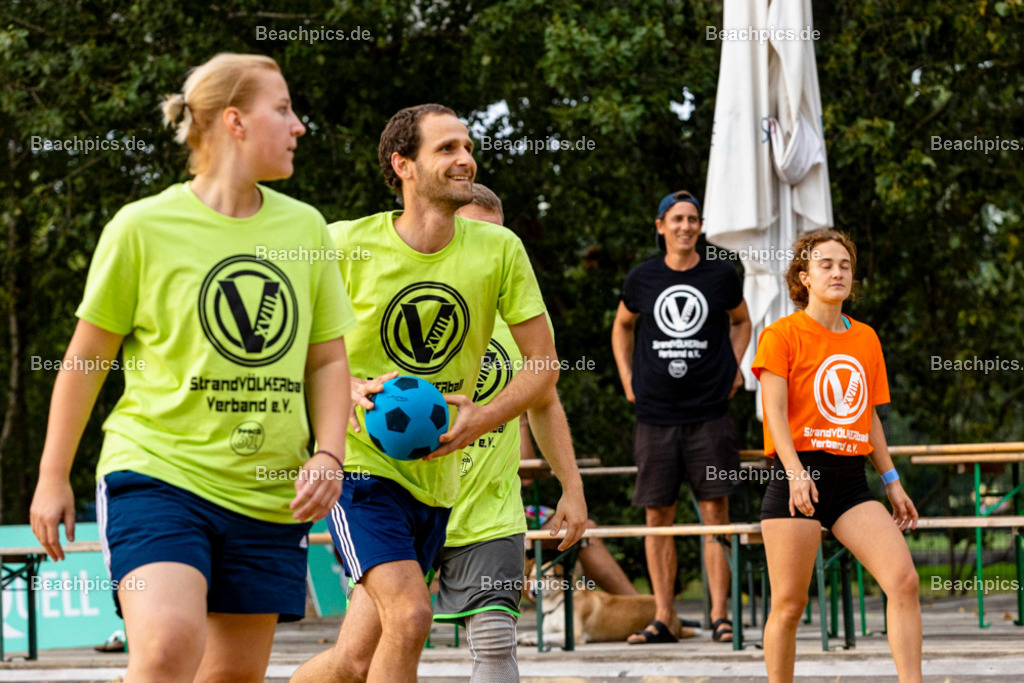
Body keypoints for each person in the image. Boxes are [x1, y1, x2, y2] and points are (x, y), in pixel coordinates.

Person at [29, 53, 356, 682]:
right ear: (234, 120)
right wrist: (52, 475)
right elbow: (86, 356)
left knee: (231, 676)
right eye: (282, 109)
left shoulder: (306, 228)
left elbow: (326, 358)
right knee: (168, 647)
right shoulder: (143, 227)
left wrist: (330, 452)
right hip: (157, 473)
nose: (299, 126)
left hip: (267, 493)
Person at [292, 105, 566, 683]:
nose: (465, 157)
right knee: (413, 616)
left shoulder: (499, 251)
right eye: (446, 148)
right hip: (360, 467)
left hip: (437, 480)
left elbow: (544, 368)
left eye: (466, 146)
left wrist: (482, 418)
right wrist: (343, 387)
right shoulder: (342, 244)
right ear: (403, 165)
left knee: (354, 660)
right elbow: (283, 342)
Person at [425, 184, 586, 682]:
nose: (490, 252)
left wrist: (572, 487)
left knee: (495, 644)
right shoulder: (413, 301)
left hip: (490, 509)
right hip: (403, 499)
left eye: (499, 239)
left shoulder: (523, 322)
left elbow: (545, 400)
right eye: (475, 235)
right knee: (372, 649)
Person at [752, 230, 921, 683]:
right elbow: (773, 415)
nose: (838, 272)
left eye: (845, 265)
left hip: (850, 481)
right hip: (796, 477)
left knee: (903, 580)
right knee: (789, 605)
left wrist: (892, 481)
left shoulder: (865, 338)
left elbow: (868, 417)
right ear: (804, 277)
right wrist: (795, 474)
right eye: (826, 264)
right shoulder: (780, 334)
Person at [611, 190, 751, 644]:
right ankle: (665, 616)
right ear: (661, 226)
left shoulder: (721, 276)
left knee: (716, 513)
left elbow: (743, 321)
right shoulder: (642, 278)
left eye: (692, 219)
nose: (686, 226)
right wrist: (628, 378)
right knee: (658, 516)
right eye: (677, 219)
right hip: (654, 416)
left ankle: (719, 616)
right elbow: (622, 326)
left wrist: (734, 368)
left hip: (710, 415)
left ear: (700, 226)